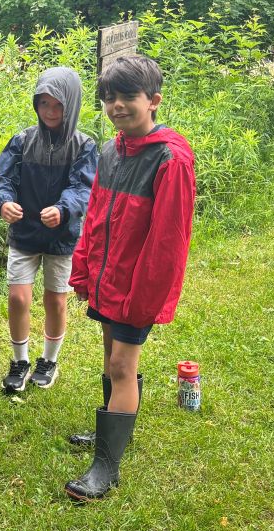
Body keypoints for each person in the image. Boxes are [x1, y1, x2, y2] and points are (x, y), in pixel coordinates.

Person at [65, 55, 195, 500]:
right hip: (107, 276)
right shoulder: (111, 150)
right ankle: (113, 429)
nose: (117, 105)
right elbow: (96, 213)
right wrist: (84, 266)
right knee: (109, 355)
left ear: (153, 101)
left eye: (127, 97)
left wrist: (145, 297)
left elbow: (168, 241)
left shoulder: (169, 159)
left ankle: (107, 464)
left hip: (137, 284)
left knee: (122, 364)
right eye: (109, 97)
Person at [0, 67, 97, 392]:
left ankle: (49, 360)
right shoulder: (22, 140)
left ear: (72, 105)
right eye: (44, 104)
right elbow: (1, 179)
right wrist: (2, 202)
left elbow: (83, 188)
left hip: (62, 236)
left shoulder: (85, 145)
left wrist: (64, 210)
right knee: (18, 298)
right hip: (24, 233)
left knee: (56, 301)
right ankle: (19, 360)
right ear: (36, 104)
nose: (50, 112)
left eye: (58, 105)